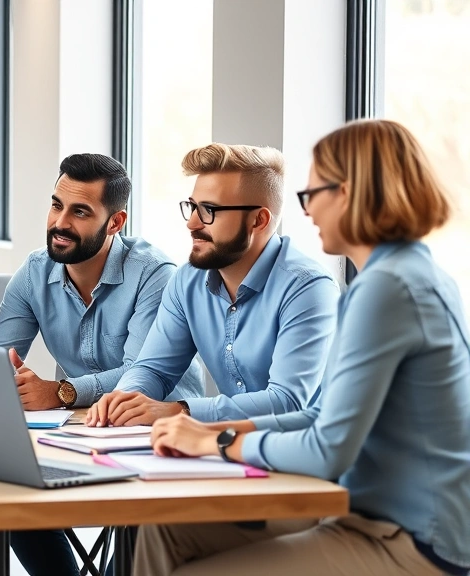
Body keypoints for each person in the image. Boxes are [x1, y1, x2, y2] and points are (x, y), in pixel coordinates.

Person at [136, 119, 470, 576]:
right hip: (363, 513)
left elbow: (328, 448)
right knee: (167, 528)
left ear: (349, 193)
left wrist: (219, 440)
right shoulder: (395, 276)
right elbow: (321, 415)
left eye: (313, 195)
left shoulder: (387, 289)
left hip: (412, 539)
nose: (308, 211)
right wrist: (206, 433)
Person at [0, 152, 202, 576]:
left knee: (141, 522)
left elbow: (144, 375)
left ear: (116, 222)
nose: (59, 222)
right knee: (2, 484)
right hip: (79, 432)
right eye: (56, 204)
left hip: (157, 434)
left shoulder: (154, 274)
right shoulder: (35, 272)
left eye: (79, 211)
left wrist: (61, 392)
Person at [86, 144, 338, 428]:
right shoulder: (187, 281)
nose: (192, 223)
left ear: (259, 220)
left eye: (209, 210)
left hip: (307, 458)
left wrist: (178, 411)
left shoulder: (308, 288)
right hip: (228, 450)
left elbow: (287, 401)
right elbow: (154, 369)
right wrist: (124, 399)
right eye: (192, 207)